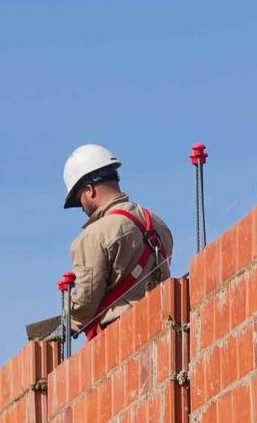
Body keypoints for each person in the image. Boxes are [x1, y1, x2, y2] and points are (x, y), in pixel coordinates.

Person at [61, 143, 174, 339]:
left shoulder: (93, 236)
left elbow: (84, 304)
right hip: (163, 325)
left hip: (120, 337)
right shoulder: (159, 224)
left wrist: (65, 323)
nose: (82, 208)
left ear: (89, 190)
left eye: (80, 199)